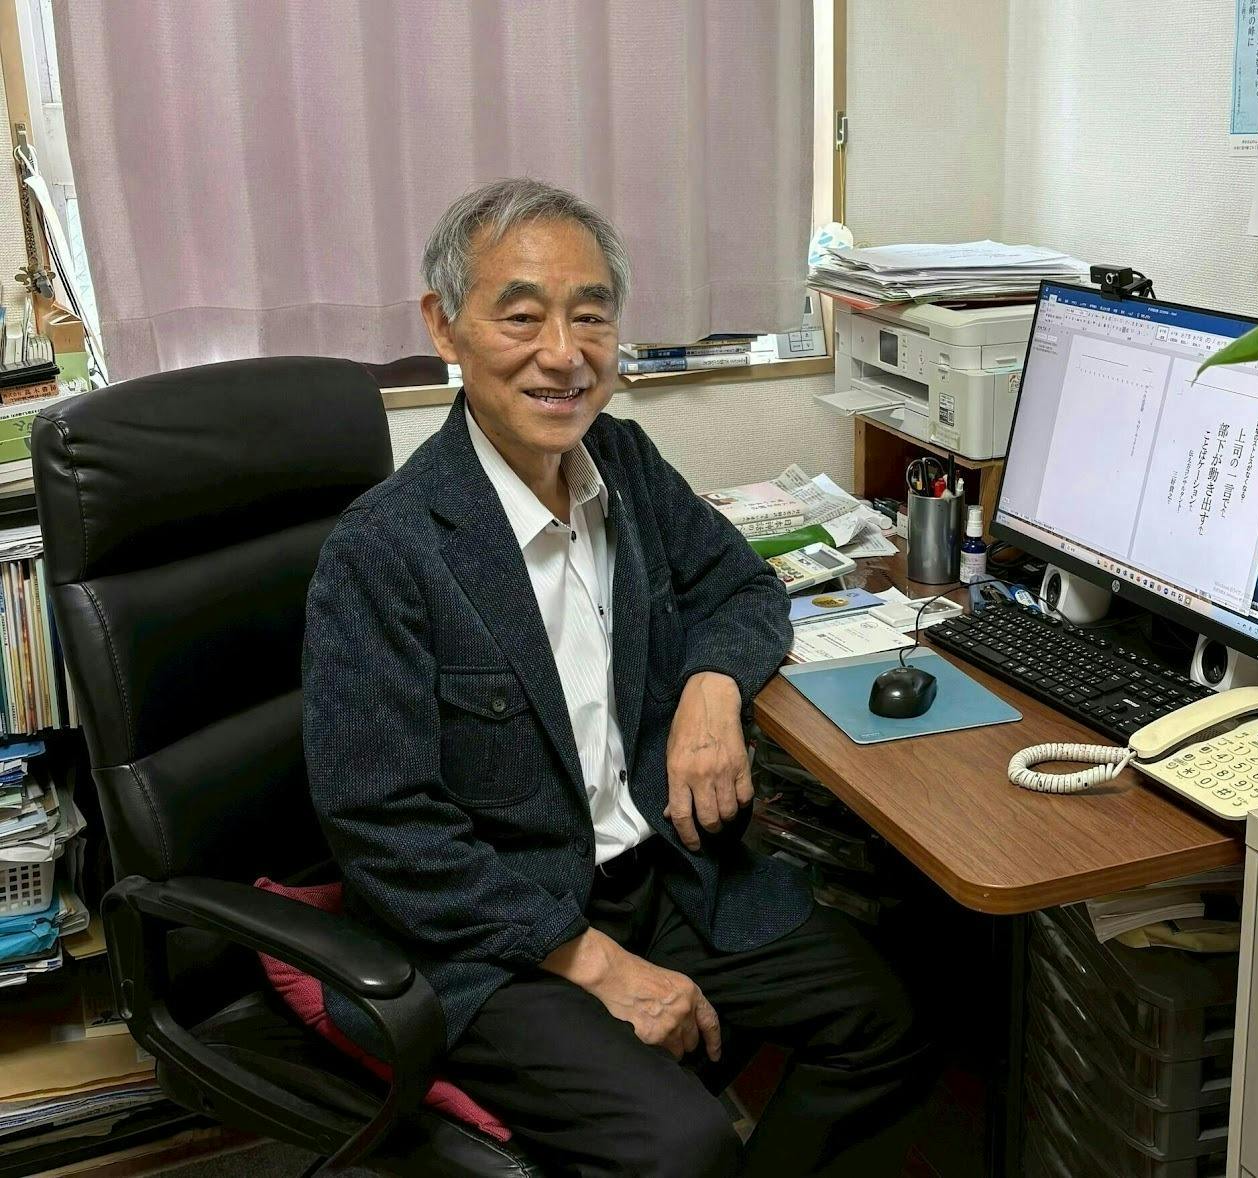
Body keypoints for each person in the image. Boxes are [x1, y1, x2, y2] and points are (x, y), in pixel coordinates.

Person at [302, 178, 932, 1177]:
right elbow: (383, 826)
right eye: (521, 316)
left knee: (887, 1021)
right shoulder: (384, 550)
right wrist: (590, 961)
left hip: (657, 872)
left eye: (590, 315)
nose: (564, 352)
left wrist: (711, 690)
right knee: (682, 1146)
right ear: (445, 326)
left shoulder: (621, 464)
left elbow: (741, 587)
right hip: (493, 932)